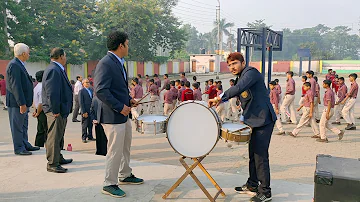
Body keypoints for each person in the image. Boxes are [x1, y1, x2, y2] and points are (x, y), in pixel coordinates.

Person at [208, 52, 276, 202]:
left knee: (260, 156)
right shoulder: (242, 76)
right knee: (253, 154)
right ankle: (252, 184)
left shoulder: (251, 73)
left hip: (264, 120)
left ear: (243, 62)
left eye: (235, 64)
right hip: (253, 120)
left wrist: (219, 98)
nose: (232, 67)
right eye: (230, 65)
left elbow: (239, 88)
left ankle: (265, 191)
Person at [94, 31, 143, 198]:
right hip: (112, 115)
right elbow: (100, 90)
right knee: (115, 150)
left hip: (122, 113)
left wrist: (129, 101)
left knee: (125, 146)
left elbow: (117, 89)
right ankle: (109, 183)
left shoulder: (119, 62)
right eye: (127, 44)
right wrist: (119, 106)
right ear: (121, 45)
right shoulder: (105, 63)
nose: (128, 47)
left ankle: (125, 174)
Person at [42, 48, 73, 173]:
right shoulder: (53, 70)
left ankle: (58, 157)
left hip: (61, 109)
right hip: (56, 110)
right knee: (54, 137)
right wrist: (55, 110)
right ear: (60, 56)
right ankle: (52, 163)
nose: (66, 58)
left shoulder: (57, 68)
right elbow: (52, 92)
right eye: (65, 56)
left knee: (59, 135)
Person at [6, 43, 39, 155]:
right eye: (28, 53)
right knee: (17, 126)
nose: (29, 55)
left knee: (23, 125)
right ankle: (19, 147)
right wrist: (21, 103)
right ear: (24, 53)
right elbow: (16, 86)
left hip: (23, 101)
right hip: (17, 103)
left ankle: (24, 144)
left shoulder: (19, 64)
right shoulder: (14, 65)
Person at [32, 70, 47, 147]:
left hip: (38, 109)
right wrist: (37, 112)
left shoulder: (36, 87)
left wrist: (35, 110)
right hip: (42, 111)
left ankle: (38, 145)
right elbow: (41, 102)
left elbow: (35, 101)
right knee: (45, 130)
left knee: (40, 129)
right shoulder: (42, 88)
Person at [79, 78, 95, 143]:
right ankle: (84, 137)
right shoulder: (81, 91)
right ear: (83, 84)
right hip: (85, 110)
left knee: (90, 124)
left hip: (91, 110)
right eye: (86, 82)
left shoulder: (91, 90)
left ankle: (90, 136)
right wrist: (83, 111)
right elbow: (81, 102)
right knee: (85, 124)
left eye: (88, 82)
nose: (87, 83)